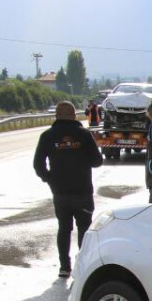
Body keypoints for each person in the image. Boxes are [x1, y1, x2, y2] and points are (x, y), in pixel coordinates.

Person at [33, 101, 103, 277]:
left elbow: (38, 164)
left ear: (56, 116)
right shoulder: (84, 135)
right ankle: (82, 266)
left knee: (64, 228)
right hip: (83, 191)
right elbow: (97, 161)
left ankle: (64, 266)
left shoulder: (47, 136)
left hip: (60, 192)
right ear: (74, 115)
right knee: (85, 229)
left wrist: (49, 179)